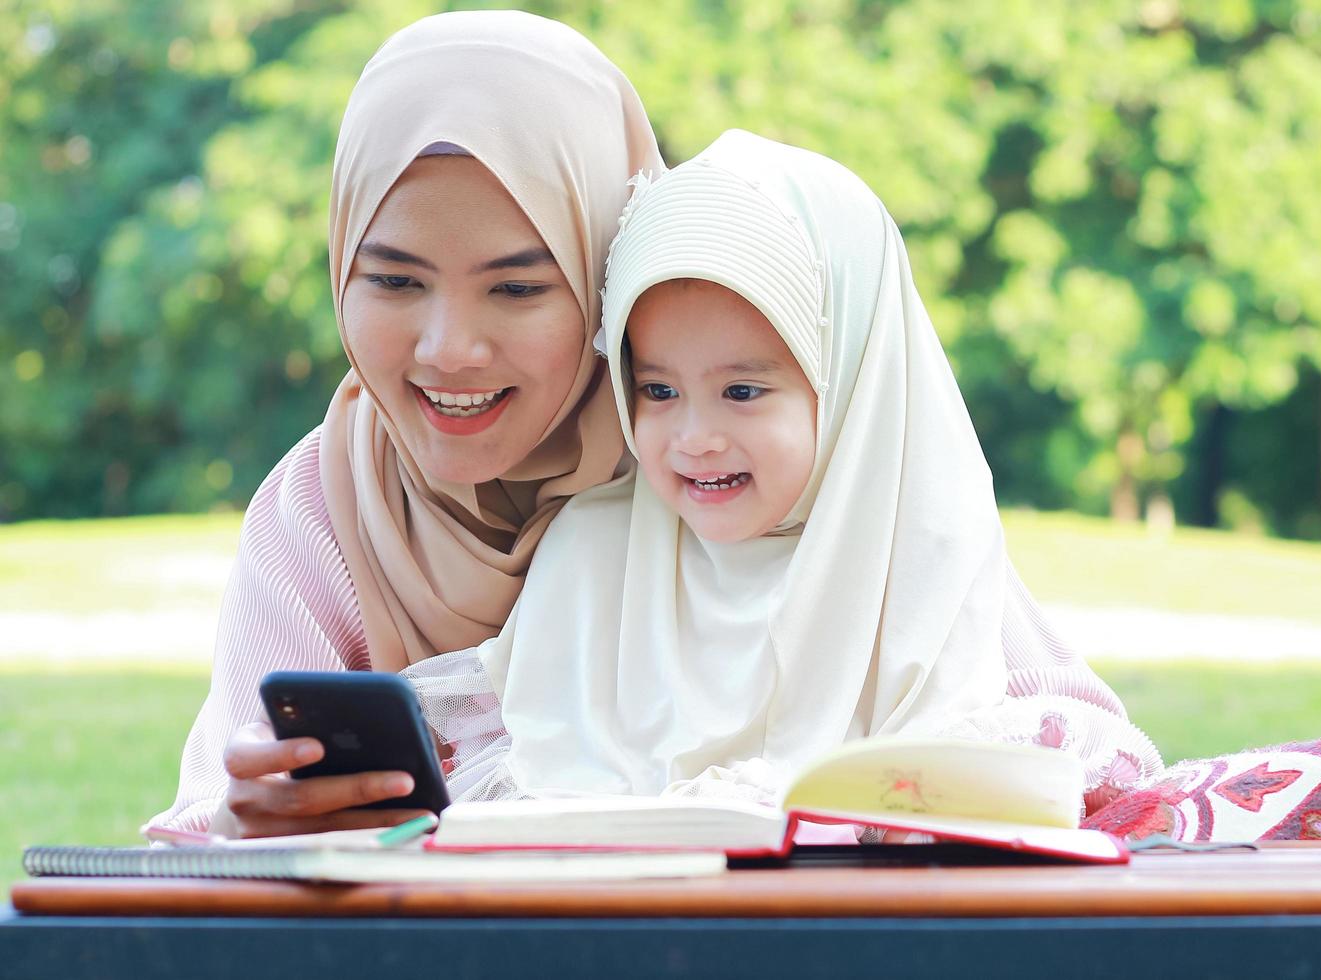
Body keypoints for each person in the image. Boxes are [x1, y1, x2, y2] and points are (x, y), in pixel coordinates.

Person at [407, 131, 1163, 818]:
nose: (695, 438)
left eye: (742, 391)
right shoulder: (595, 555)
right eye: (658, 390)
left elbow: (1101, 767)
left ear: (844, 386)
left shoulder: (923, 555)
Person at [148, 10, 664, 837]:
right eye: (393, 280)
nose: (448, 350)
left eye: (517, 288)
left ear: (610, 283)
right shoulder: (322, 504)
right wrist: (246, 820)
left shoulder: (698, 475)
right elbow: (214, 814)